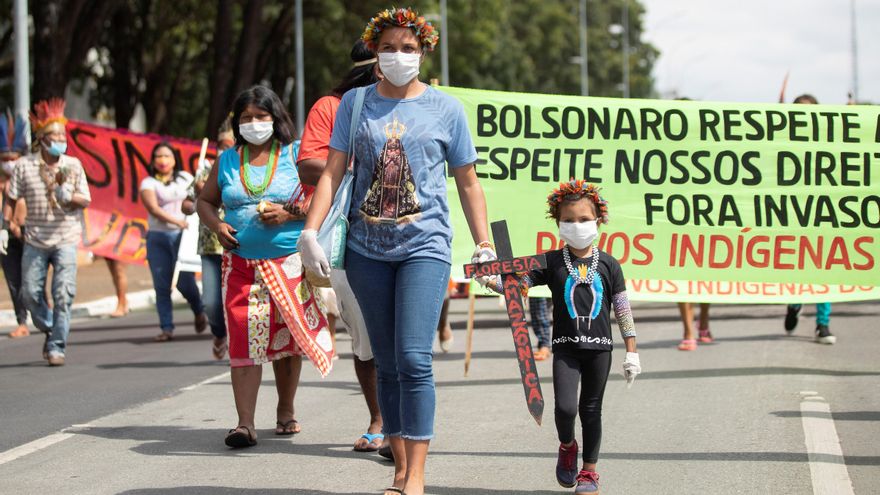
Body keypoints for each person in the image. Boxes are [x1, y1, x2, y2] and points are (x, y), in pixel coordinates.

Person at [299, 8, 492, 494]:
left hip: (424, 246)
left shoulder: (446, 109)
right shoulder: (355, 104)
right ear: (374, 53)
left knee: (413, 358)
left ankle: (417, 478)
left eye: (409, 48)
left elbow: (468, 183)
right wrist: (309, 230)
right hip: (367, 250)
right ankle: (400, 464)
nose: (399, 55)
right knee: (385, 361)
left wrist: (484, 242)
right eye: (389, 47)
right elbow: (333, 170)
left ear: (423, 52)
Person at [198, 85, 333, 448]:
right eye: (246, 118)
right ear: (236, 123)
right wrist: (217, 225)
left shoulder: (294, 155)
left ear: (276, 119)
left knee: (287, 340)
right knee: (242, 337)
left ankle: (285, 410)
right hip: (241, 264)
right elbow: (205, 202)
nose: (254, 123)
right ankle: (244, 424)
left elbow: (325, 193)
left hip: (289, 263)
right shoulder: (227, 159)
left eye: (261, 117)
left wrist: (291, 212)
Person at [489, 180, 640, 495]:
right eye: (568, 220)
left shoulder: (610, 265)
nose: (577, 226)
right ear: (558, 223)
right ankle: (567, 445)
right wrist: (499, 282)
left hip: (600, 350)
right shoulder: (552, 261)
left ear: (598, 220)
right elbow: (521, 282)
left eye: (584, 219)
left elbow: (623, 309)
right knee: (566, 408)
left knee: (591, 409)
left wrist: (631, 351)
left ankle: (588, 472)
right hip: (565, 349)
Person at [296, 39, 386, 453]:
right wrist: (354, 165)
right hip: (352, 241)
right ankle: (379, 418)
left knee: (404, 337)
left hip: (411, 239)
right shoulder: (332, 107)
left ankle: (404, 428)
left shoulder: (423, 104)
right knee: (366, 337)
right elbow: (309, 163)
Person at [8, 99, 91, 366]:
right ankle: (50, 326)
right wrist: (2, 226)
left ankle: (57, 345)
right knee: (29, 294)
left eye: (62, 136)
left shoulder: (74, 165)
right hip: (35, 239)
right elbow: (11, 198)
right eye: (54, 136)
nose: (59, 140)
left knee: (63, 294)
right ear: (41, 139)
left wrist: (69, 195)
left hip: (66, 237)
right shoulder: (24, 166)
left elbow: (85, 199)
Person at [139, 142, 206, 341]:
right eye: (158, 156)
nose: (163, 160)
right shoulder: (148, 183)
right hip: (158, 238)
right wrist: (176, 221)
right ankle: (166, 327)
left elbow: (199, 196)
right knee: (162, 285)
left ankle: (198, 309)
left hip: (183, 238)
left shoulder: (185, 178)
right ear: (152, 161)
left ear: (174, 159)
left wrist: (201, 181)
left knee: (185, 283)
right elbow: (153, 208)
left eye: (167, 156)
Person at [782, 94, 835, 345]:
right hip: (793, 214)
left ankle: (822, 324)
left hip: (822, 213)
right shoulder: (783, 142)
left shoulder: (828, 140)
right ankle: (794, 303)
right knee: (798, 266)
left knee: (823, 267)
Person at [182, 121, 235, 359]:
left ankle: (237, 344)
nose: (225, 149)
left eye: (230, 145)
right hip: (209, 245)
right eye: (221, 145)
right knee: (211, 302)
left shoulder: (241, 169)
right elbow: (187, 207)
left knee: (234, 302)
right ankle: (218, 332)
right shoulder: (203, 172)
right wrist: (197, 195)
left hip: (235, 245)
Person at [0, 112, 29, 338]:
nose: (10, 162)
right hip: (4, 236)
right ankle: (22, 321)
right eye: (5, 158)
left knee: (33, 277)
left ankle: (43, 311)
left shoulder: (30, 176)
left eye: (14, 157)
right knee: (13, 279)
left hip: (29, 233)